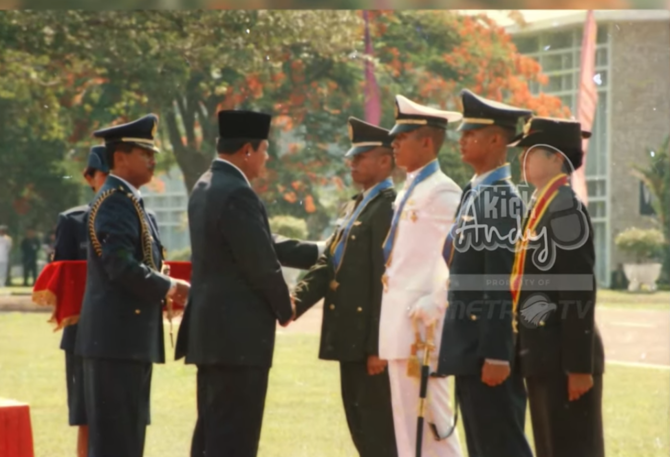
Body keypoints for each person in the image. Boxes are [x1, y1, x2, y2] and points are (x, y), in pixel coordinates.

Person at [175, 109, 318, 457]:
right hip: (237, 340)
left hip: (213, 336)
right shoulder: (238, 192)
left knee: (211, 433)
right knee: (235, 439)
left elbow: (259, 240)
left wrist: (319, 252)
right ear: (248, 150)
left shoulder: (206, 185)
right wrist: (287, 308)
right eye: (265, 151)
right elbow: (260, 263)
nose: (266, 160)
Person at [75, 114, 191, 457]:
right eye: (145, 153)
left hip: (124, 342)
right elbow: (121, 265)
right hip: (115, 344)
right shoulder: (115, 201)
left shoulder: (127, 199)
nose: (153, 160)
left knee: (127, 439)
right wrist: (170, 287)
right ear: (120, 158)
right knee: (117, 443)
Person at [436, 89, 534, 457]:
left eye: (470, 134)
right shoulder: (475, 193)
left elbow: (502, 280)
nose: (460, 141)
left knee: (501, 446)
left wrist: (497, 352)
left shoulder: (500, 198)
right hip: (470, 346)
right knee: (483, 447)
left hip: (485, 351)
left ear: (496, 139)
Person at [292, 117, 398, 457]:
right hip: (350, 339)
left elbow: (386, 281)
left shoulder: (388, 208)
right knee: (362, 431)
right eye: (351, 157)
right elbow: (330, 263)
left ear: (385, 160)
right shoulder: (356, 204)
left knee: (380, 434)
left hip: (369, 345)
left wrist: (376, 347)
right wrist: (294, 301)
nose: (351, 163)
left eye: (360, 157)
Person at [510, 117, 605, 457]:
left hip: (564, 360)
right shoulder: (545, 206)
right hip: (544, 355)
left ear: (555, 159)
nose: (524, 159)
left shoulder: (565, 209)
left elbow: (578, 292)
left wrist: (579, 367)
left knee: (573, 448)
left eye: (533, 152)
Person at [378, 95, 463, 457]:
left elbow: (460, 259)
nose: (394, 143)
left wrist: (438, 301)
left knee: (433, 428)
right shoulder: (410, 190)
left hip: (424, 333)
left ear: (427, 141)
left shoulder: (443, 191)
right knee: (407, 433)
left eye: (403, 137)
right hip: (402, 326)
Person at [52, 146, 109, 457]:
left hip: (123, 334)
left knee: (125, 419)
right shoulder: (73, 222)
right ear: (89, 178)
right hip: (82, 334)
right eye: (105, 175)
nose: (112, 182)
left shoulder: (145, 219)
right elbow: (60, 282)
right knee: (86, 418)